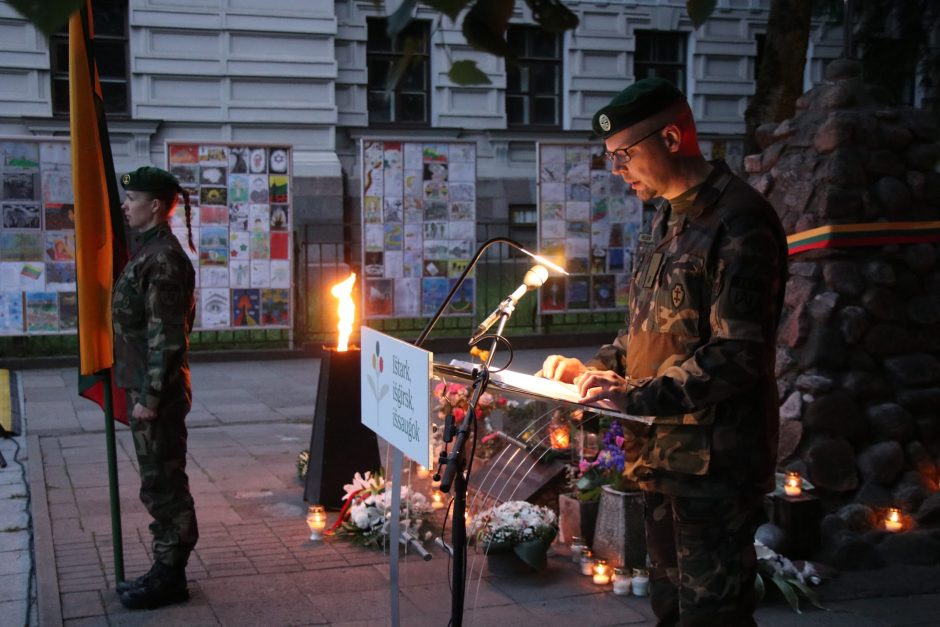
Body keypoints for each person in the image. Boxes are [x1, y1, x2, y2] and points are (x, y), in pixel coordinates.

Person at [540, 77, 788, 626]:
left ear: (672, 139)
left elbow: (737, 354)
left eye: (624, 154)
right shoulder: (665, 217)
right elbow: (648, 332)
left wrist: (635, 394)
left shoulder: (738, 222)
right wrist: (599, 368)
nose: (617, 170)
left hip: (714, 467)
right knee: (671, 609)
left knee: (712, 616)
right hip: (660, 455)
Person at [112, 166, 198, 610]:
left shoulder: (161, 259)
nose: (125, 206)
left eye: (133, 200)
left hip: (157, 395)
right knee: (158, 481)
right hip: (149, 387)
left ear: (156, 207)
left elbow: (167, 336)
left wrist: (149, 397)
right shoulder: (148, 252)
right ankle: (167, 568)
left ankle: (169, 575)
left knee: (164, 484)